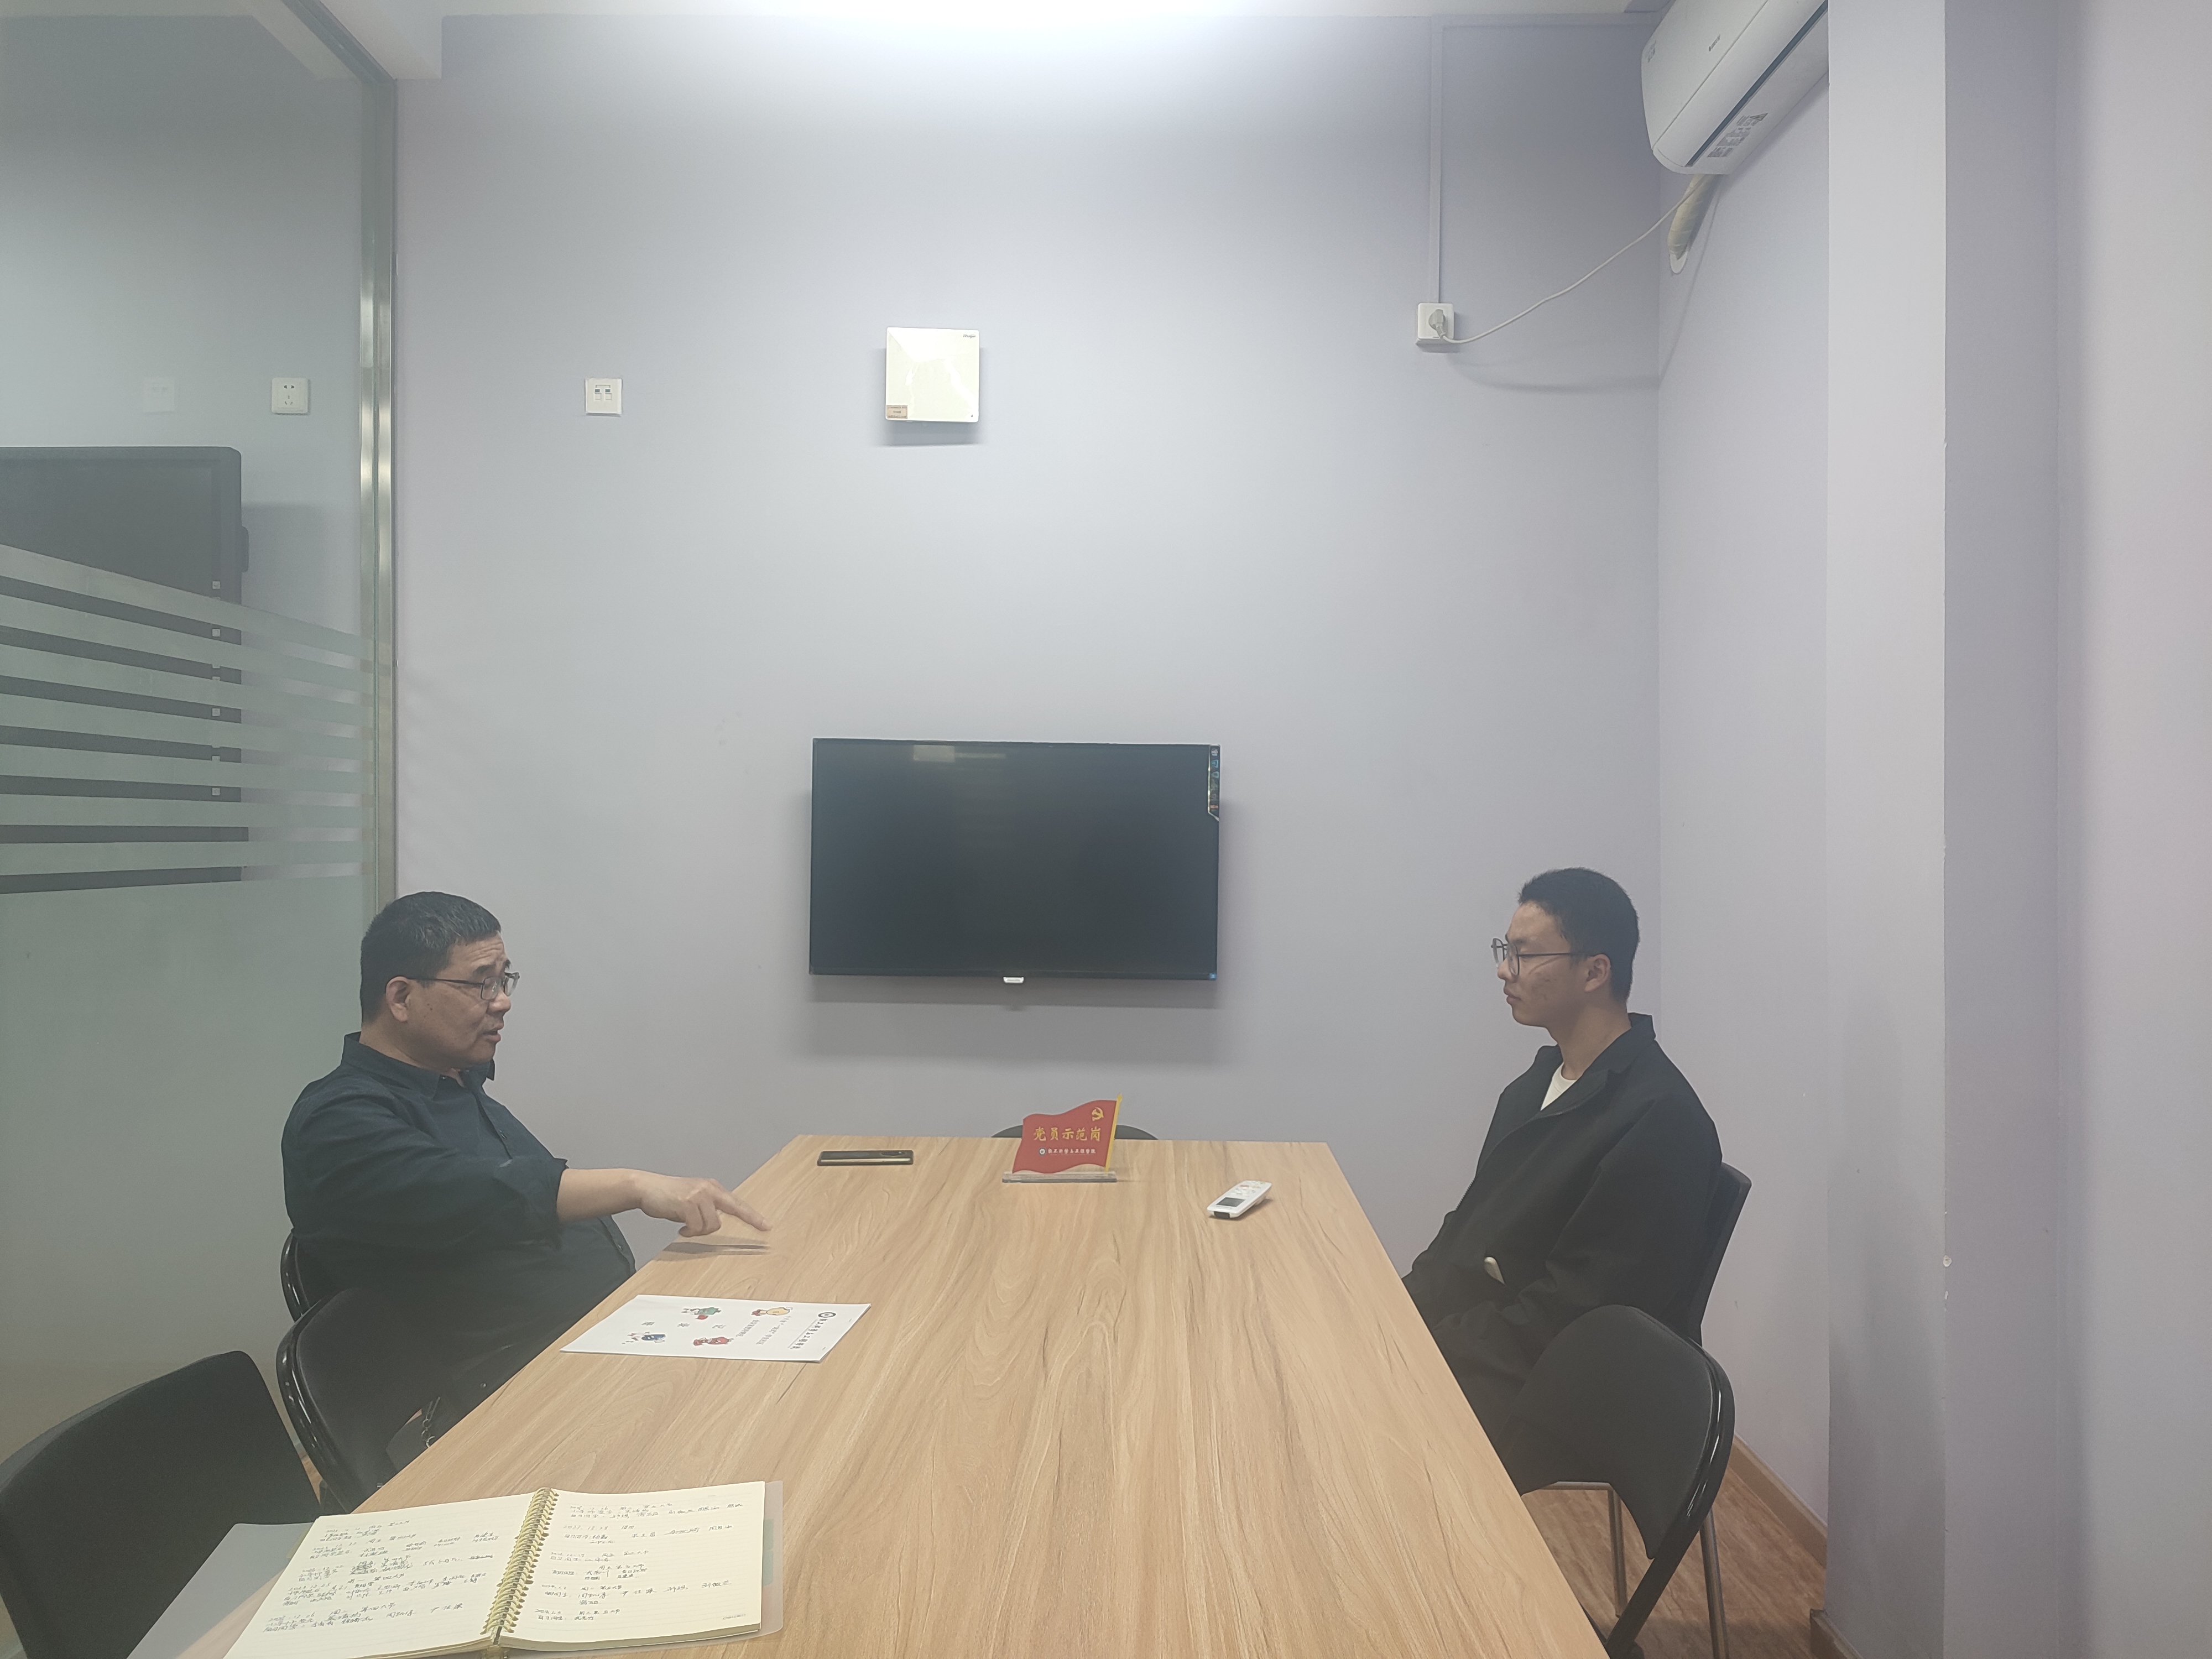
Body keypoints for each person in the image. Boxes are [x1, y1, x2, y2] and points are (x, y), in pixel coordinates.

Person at [283, 891, 769, 1395]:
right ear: (401, 997)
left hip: (595, 1340)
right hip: (505, 1388)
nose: (502, 1001)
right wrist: (635, 1186)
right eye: (481, 984)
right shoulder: (336, 1121)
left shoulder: (454, 1080)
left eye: (503, 980)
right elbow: (482, 1194)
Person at [1402, 868, 1720, 1442]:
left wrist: (1428, 1344)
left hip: (1562, 1387)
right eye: (1505, 951)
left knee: (1362, 1418)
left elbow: (1577, 1316)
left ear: (1595, 971)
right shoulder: (1534, 1086)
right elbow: (1467, 1234)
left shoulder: (1661, 1121)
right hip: (1498, 1346)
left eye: (1525, 955)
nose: (1505, 970)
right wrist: (1397, 1310)